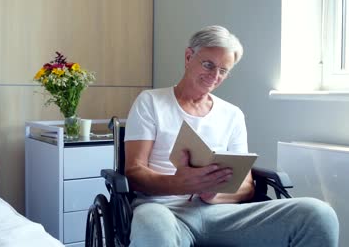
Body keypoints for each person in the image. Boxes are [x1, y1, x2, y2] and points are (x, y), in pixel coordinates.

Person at [124, 25, 339, 247]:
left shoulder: (232, 114)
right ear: (189, 57)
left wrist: (213, 194)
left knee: (317, 214)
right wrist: (179, 183)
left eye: (223, 70)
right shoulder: (150, 102)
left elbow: (246, 187)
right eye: (208, 65)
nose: (214, 76)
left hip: (220, 214)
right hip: (162, 209)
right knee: (153, 226)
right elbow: (134, 172)